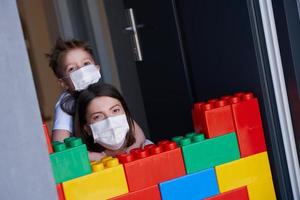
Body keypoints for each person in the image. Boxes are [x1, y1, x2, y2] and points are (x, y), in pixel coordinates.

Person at [46, 38, 146, 160]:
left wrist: (132, 150)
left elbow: (137, 133)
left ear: (97, 68)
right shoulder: (66, 105)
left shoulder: (103, 94)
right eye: (72, 69)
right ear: (63, 83)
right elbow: (60, 147)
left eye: (86, 64)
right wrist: (100, 157)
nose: (82, 70)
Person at [76, 83, 152, 158]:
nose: (110, 122)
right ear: (87, 129)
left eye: (115, 110)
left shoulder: (148, 148)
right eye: (97, 117)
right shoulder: (86, 164)